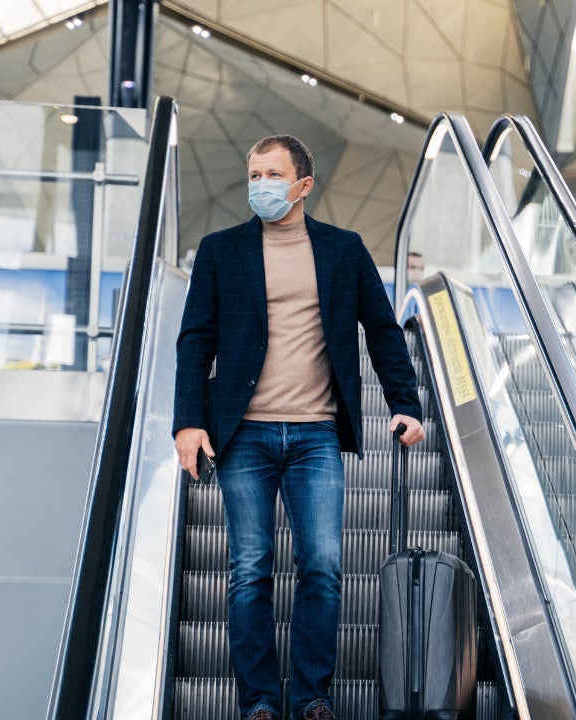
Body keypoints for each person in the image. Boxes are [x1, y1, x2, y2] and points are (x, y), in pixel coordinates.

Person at [173, 135, 425, 720]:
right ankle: (259, 701)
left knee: (323, 564)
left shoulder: (343, 249)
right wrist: (188, 423)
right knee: (249, 568)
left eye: (272, 174)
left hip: (315, 434)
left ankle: (313, 697)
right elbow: (195, 341)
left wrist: (404, 402)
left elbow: (384, 330)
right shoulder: (221, 250)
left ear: (303, 185)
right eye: (254, 173)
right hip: (244, 435)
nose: (259, 184)